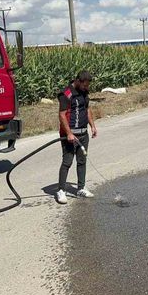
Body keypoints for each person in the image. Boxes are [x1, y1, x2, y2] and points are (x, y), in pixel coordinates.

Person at [55, 71, 98, 204]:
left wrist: (93, 126)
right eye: (85, 85)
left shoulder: (84, 92)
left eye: (87, 85)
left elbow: (87, 109)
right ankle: (61, 190)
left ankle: (81, 188)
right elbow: (62, 115)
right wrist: (68, 133)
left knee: (82, 161)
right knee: (67, 162)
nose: (87, 88)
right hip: (70, 136)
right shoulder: (66, 94)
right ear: (78, 81)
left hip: (83, 134)